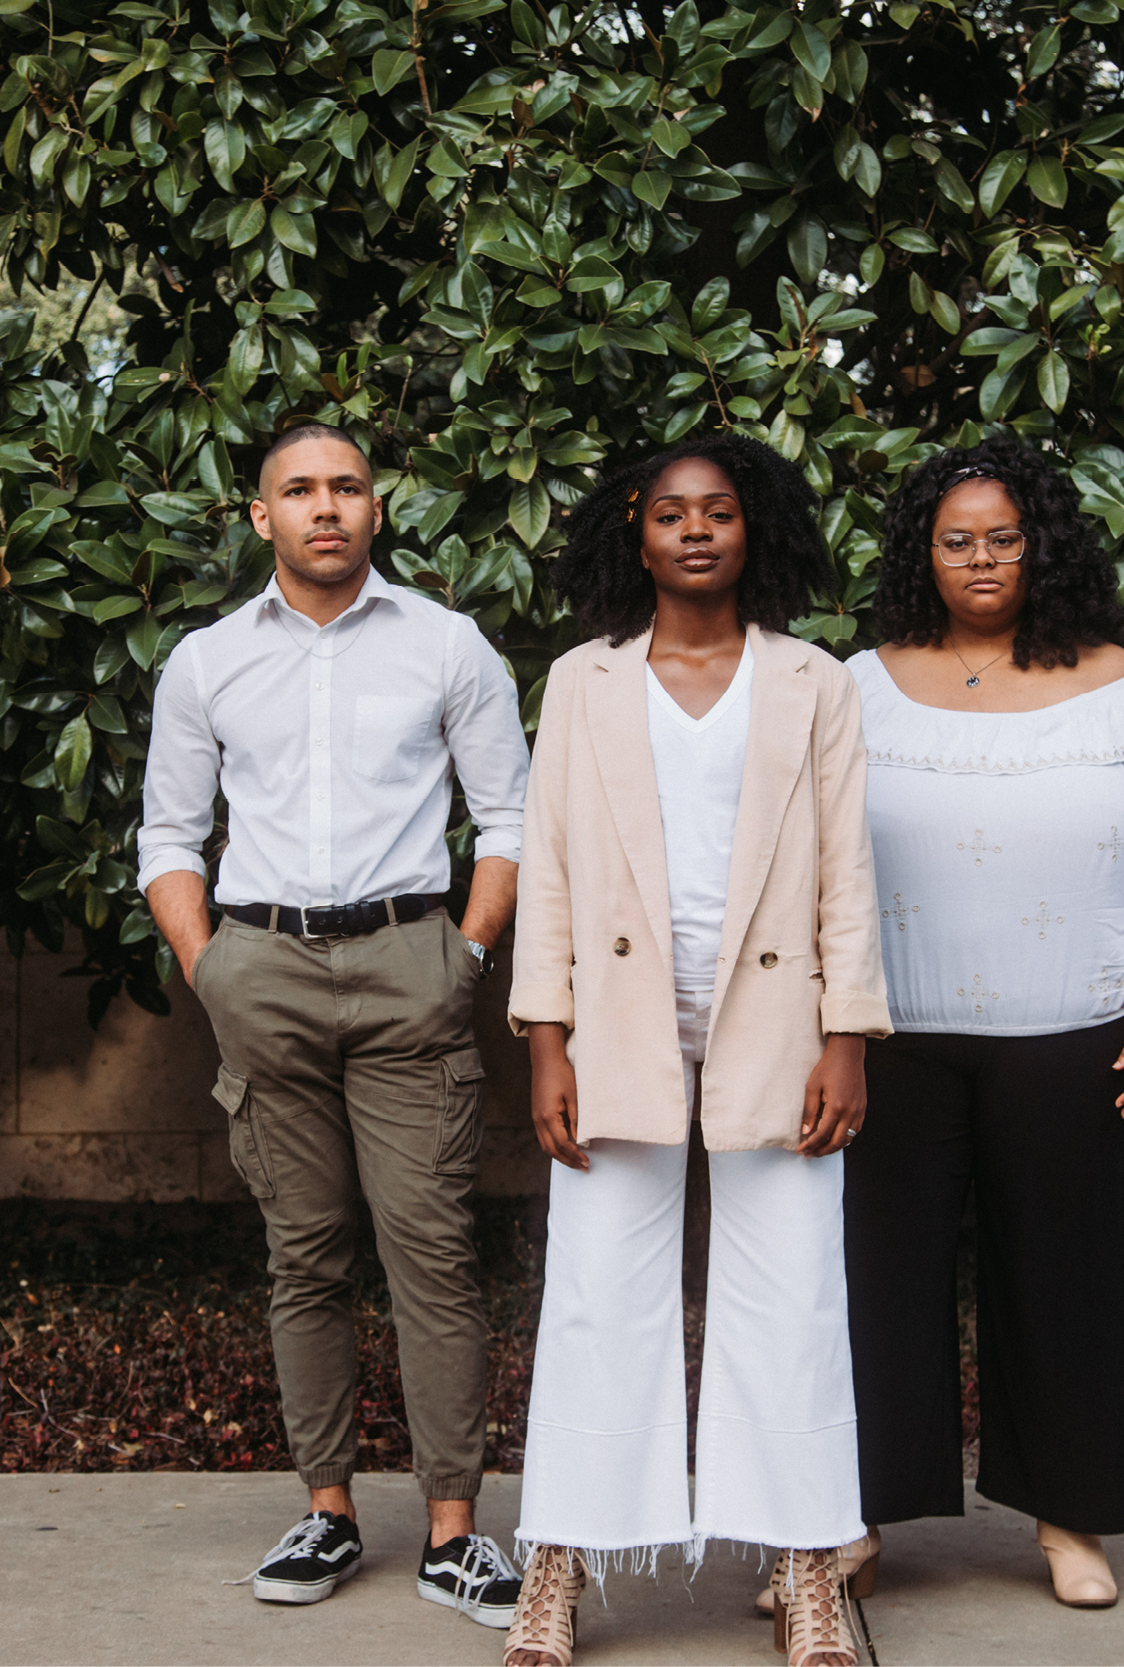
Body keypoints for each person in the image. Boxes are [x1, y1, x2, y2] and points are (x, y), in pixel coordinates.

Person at [138, 421, 531, 1629]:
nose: (325, 507)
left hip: (411, 960)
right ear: (261, 516)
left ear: (376, 507)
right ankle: (328, 1506)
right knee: (303, 1254)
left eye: (347, 486)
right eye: (299, 490)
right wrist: (212, 970)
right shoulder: (205, 660)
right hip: (261, 966)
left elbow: (508, 817)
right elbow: (166, 836)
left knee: (432, 1252)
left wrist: (463, 954)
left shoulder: (447, 644)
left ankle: (454, 1529)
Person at [501, 433, 886, 1667]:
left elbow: (847, 876)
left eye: (719, 510)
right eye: (672, 513)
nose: (697, 530)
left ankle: (805, 1562)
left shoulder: (815, 681)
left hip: (776, 1019)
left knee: (794, 1291)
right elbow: (548, 871)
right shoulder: (582, 680)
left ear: (752, 526)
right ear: (638, 529)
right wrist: (544, 1040)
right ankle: (556, 1563)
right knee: (596, 1294)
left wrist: (849, 1037)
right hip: (618, 1020)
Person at [835, 433, 1124, 1609]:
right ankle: (851, 1520)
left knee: (1066, 1276)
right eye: (959, 541)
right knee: (872, 1280)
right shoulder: (860, 681)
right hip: (893, 1037)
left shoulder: (1120, 683)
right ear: (923, 554)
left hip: (1078, 1031)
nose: (984, 559)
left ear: (1042, 546)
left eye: (1005, 537)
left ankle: (1069, 1522)